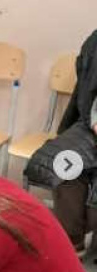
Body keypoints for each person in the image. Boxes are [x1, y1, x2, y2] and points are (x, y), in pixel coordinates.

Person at [26, 30, 97, 255]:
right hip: (90, 125)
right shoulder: (95, 41)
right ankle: (71, 240)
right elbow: (88, 95)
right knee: (63, 160)